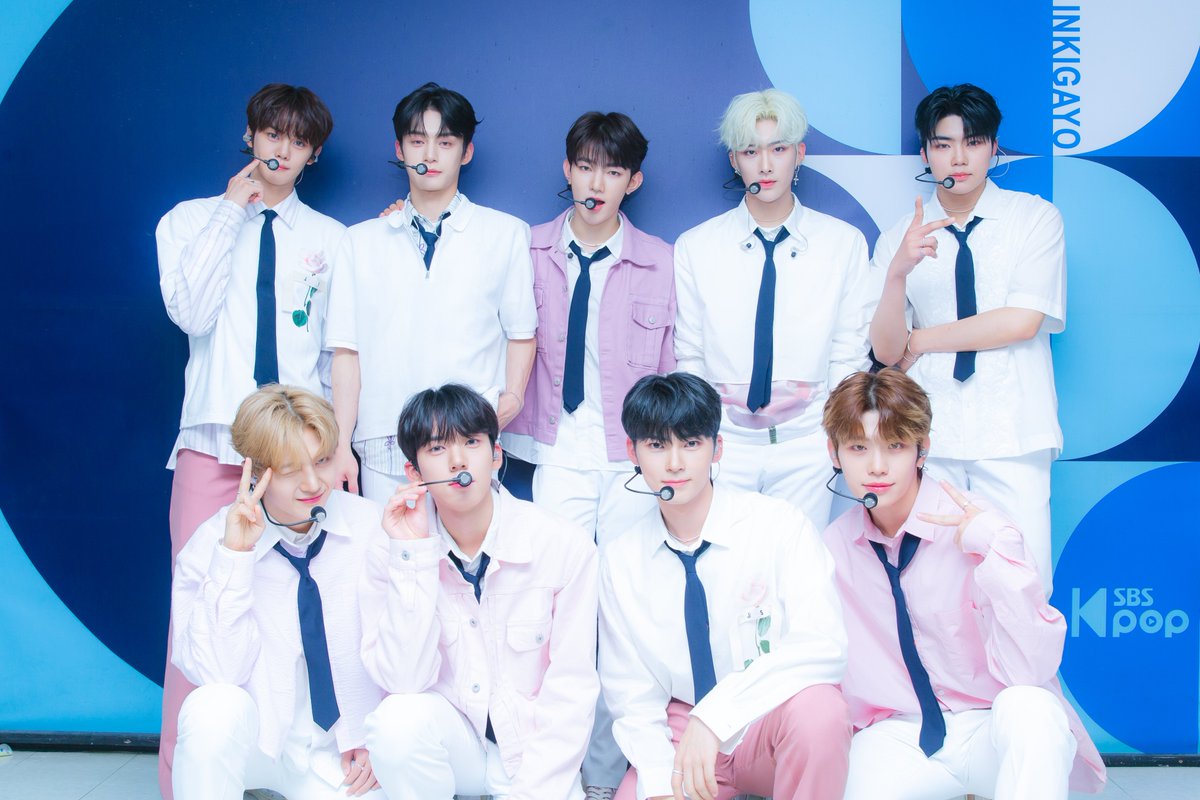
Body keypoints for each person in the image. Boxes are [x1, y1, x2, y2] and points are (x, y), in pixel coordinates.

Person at [155, 82, 343, 798]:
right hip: (213, 443)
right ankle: (185, 782)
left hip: (298, 456)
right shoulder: (189, 220)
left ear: (312, 154)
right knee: (197, 613)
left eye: (298, 140)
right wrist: (232, 212)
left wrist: (333, 450)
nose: (281, 150)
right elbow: (190, 314)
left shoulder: (330, 238)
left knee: (310, 606)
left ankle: (302, 766)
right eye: (271, 134)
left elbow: (333, 353)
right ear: (250, 136)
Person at [819, 369, 1105, 799]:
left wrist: (993, 549)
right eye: (859, 447)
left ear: (922, 449)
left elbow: (1031, 670)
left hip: (989, 724)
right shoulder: (834, 548)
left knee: (1032, 708)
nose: (877, 466)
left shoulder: (982, 526)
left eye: (895, 445)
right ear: (835, 453)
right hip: (900, 732)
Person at [500, 110, 675, 799]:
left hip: (629, 459)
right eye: (585, 166)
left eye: (613, 170)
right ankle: (553, 771)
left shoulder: (660, 260)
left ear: (634, 181)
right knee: (555, 614)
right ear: (567, 170)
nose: (596, 183)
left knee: (624, 615)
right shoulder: (524, 249)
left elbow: (675, 367)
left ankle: (606, 775)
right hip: (556, 452)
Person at [600, 372, 851, 800]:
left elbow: (823, 645)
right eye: (657, 445)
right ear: (632, 452)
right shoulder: (622, 559)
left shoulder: (778, 525)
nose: (674, 463)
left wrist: (717, 715)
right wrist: (659, 780)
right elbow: (631, 694)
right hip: (682, 735)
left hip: (766, 718)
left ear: (717, 448)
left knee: (821, 711)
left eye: (691, 443)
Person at [869, 83, 1065, 593]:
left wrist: (921, 340)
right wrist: (897, 273)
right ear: (925, 152)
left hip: (1013, 431)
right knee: (937, 593)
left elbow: (1021, 321)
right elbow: (887, 352)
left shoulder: (1033, 218)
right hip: (933, 434)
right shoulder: (898, 239)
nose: (958, 157)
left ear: (993, 147)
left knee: (1023, 585)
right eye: (943, 144)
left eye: (973, 142)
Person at [360, 384, 599, 800]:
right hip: (454, 749)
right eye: (437, 448)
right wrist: (414, 557)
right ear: (414, 473)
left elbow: (572, 690)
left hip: (535, 757)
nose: (457, 461)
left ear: (496, 454)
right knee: (396, 720)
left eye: (471, 442)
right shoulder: (390, 550)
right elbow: (403, 681)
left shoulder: (563, 545)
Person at [170, 386, 387, 799]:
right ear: (256, 472)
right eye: (290, 470)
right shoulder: (211, 543)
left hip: (344, 753)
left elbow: (406, 648)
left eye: (322, 461)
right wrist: (235, 557)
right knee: (209, 710)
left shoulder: (371, 528)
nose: (313, 483)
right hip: (259, 741)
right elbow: (216, 673)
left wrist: (383, 737)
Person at [673, 88, 875, 529]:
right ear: (734, 160)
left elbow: (849, 351)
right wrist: (704, 436)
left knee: (800, 560)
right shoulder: (696, 246)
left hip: (809, 443)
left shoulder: (843, 244)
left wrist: (831, 434)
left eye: (778, 149)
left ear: (798, 154)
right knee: (726, 556)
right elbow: (689, 352)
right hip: (724, 444)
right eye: (751, 151)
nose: (765, 165)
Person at [327, 82, 537, 503]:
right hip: (385, 438)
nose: (430, 155)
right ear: (400, 149)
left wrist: (511, 399)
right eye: (417, 141)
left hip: (469, 435)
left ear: (466, 151)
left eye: (445, 142)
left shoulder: (506, 233)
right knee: (391, 541)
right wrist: (341, 443)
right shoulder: (360, 241)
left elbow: (521, 332)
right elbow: (346, 351)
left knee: (471, 543)